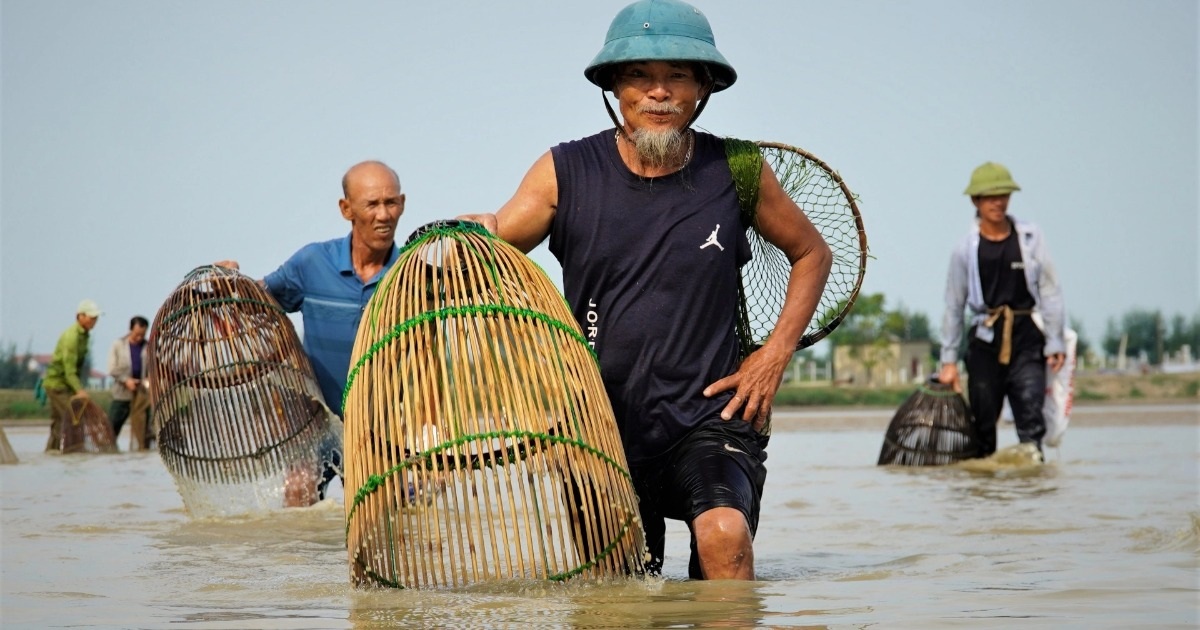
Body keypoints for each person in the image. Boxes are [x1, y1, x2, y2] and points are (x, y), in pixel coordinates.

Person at [458, 0, 832, 580]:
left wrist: (775, 353)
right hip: (596, 422)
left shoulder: (737, 169)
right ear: (614, 86)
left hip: (712, 415)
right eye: (639, 75)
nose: (658, 92)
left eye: (677, 75)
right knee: (622, 593)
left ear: (703, 88)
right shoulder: (565, 170)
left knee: (723, 538)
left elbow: (812, 252)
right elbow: (495, 246)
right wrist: (473, 233)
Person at [217, 160, 406, 499]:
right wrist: (230, 283)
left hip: (380, 430)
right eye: (372, 204)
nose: (384, 215)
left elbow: (430, 360)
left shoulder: (410, 273)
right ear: (346, 209)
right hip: (317, 423)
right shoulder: (312, 263)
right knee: (298, 507)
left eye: (391, 203)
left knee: (387, 517)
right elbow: (259, 301)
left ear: (402, 204)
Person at [938, 161, 1066, 457]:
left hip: (1027, 337)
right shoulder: (964, 249)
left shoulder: (1030, 239)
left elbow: (1050, 290)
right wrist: (948, 360)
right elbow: (954, 306)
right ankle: (984, 483)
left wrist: (1055, 340)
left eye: (1004, 195)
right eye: (990, 196)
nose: (998, 202)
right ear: (976, 201)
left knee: (1031, 413)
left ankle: (1032, 474)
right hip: (985, 339)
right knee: (982, 423)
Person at [44, 299, 103, 451]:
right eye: (91, 317)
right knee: (71, 417)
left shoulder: (85, 335)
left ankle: (53, 452)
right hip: (57, 384)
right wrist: (80, 390)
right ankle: (69, 450)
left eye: (96, 318)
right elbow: (69, 370)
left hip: (66, 384)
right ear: (80, 316)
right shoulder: (72, 336)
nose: (95, 321)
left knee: (59, 422)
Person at [108, 315, 152, 450]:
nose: (139, 338)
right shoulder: (118, 344)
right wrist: (126, 380)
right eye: (137, 334)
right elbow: (112, 368)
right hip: (122, 391)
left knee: (142, 425)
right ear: (131, 329)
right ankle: (109, 448)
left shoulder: (147, 346)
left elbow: (152, 367)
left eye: (142, 335)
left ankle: (141, 449)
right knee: (113, 424)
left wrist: (148, 379)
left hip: (141, 391)